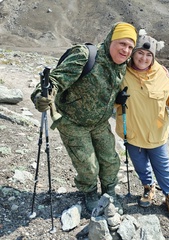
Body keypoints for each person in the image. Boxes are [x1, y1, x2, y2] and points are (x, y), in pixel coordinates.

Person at [31, 22, 137, 214]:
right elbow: (54, 80)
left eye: (130, 47)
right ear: (110, 40)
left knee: (111, 160)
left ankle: (109, 192)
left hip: (99, 122)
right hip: (73, 122)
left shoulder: (122, 65)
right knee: (88, 166)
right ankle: (89, 193)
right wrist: (42, 95)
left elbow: (145, 66)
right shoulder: (85, 56)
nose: (126, 50)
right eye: (122, 43)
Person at [115, 29, 169, 220]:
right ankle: (148, 188)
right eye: (140, 53)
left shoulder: (161, 75)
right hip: (132, 133)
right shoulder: (121, 72)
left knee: (163, 168)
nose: (143, 58)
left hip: (156, 134)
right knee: (140, 166)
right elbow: (111, 97)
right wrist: (117, 99)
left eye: (148, 55)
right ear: (133, 54)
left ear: (153, 57)